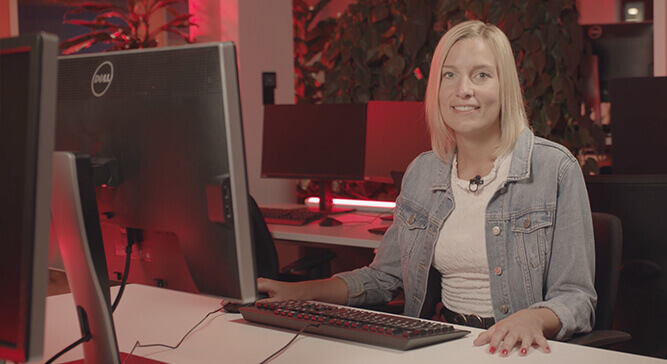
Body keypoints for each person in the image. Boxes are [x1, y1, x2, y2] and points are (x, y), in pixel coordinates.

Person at [257, 20, 596, 357]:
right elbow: (383, 278)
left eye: (481, 75)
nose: (463, 89)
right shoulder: (422, 172)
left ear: (504, 86)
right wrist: (299, 292)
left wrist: (532, 319)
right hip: (441, 344)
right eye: (450, 75)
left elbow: (576, 298)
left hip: (518, 350)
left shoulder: (555, 169)